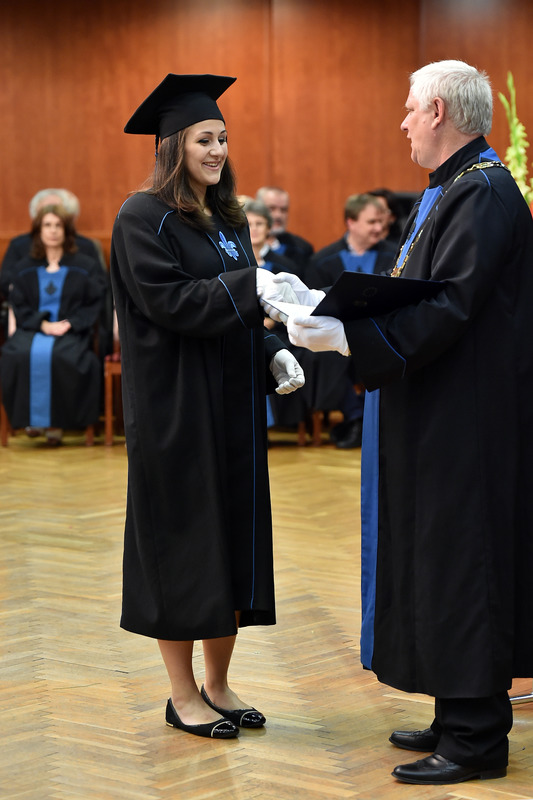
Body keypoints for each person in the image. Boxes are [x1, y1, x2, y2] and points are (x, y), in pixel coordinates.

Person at [263, 60, 533, 784]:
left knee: (462, 559)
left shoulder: (481, 192)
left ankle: (476, 738)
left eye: (411, 109)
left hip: (466, 418)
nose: (404, 122)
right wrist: (330, 307)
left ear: (439, 111)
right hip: (439, 407)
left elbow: (448, 306)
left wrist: (350, 337)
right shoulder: (453, 186)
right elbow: (413, 290)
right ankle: (455, 712)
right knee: (436, 554)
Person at [110, 73, 304, 740]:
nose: (217, 150)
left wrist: (269, 350)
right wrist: (252, 287)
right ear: (173, 146)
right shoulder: (142, 217)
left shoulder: (229, 219)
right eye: (203, 139)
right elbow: (169, 303)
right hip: (177, 409)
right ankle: (182, 693)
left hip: (234, 408)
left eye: (222, 137)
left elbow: (239, 308)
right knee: (184, 546)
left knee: (231, 543)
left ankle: (218, 685)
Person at [0, 205, 106, 445]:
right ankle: (33, 421)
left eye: (58, 225)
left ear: (67, 231)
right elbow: (19, 304)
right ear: (38, 231)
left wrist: (70, 323)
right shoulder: (24, 267)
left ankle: (57, 424)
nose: (53, 230)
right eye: (47, 225)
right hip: (33, 329)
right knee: (16, 356)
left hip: (71, 330)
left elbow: (94, 302)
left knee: (66, 358)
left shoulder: (86, 266)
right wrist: (43, 325)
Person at [306, 194, 396, 449]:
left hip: (381, 332)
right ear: (351, 222)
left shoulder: (395, 255)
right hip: (336, 336)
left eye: (381, 222)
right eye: (371, 222)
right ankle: (357, 416)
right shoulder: (322, 260)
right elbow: (314, 306)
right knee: (325, 354)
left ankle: (366, 419)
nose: (379, 228)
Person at [255, 186, 314, 273]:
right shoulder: (241, 245)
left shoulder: (301, 249)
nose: (278, 215)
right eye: (271, 209)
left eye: (283, 210)